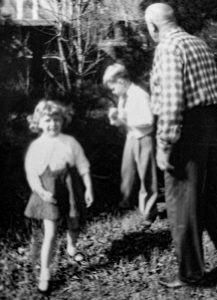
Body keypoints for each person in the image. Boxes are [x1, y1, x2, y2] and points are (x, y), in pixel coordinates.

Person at [141, 0, 217, 287]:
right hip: (214, 122)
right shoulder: (198, 43)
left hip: (187, 128)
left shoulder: (168, 47)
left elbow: (172, 101)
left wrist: (164, 144)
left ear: (153, 27)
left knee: (180, 201)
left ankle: (191, 273)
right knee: (207, 194)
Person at [24, 100, 94, 293]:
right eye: (47, 120)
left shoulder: (69, 142)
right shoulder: (37, 146)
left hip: (70, 187)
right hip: (49, 190)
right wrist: (40, 191)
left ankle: (72, 247)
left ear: (63, 121)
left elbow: (82, 164)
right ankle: (45, 273)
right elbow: (31, 172)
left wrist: (88, 188)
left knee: (74, 222)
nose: (52, 124)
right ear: (38, 122)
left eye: (56, 119)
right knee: (51, 234)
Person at [103, 63, 158, 227]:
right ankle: (126, 203)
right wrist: (115, 118)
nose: (112, 91)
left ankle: (149, 212)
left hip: (144, 138)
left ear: (120, 81)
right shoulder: (123, 97)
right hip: (132, 137)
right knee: (127, 172)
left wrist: (127, 119)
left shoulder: (140, 95)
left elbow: (149, 121)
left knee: (146, 175)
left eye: (112, 87)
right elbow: (123, 121)